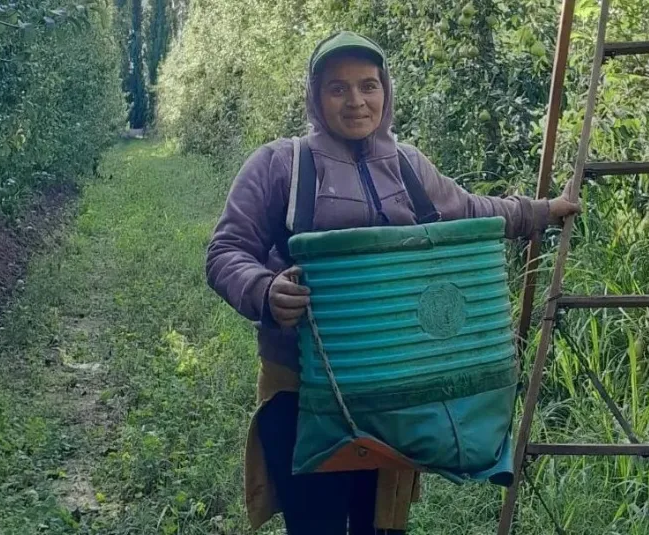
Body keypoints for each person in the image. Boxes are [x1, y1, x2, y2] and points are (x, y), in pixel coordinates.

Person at [205, 30, 580, 535]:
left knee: (381, 526)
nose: (356, 101)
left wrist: (543, 212)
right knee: (314, 524)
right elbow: (226, 251)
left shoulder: (408, 166)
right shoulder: (280, 165)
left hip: (397, 392)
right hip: (302, 389)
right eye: (337, 88)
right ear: (315, 97)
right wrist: (265, 290)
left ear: (386, 91)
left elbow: (472, 212)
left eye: (368, 85)